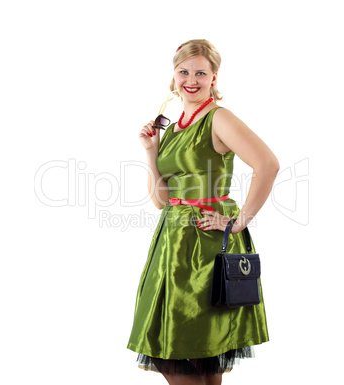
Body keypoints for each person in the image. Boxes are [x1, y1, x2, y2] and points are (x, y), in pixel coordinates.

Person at [127, 39, 280, 385]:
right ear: (173, 75)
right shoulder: (175, 125)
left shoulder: (218, 118)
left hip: (205, 245)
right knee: (195, 359)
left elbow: (267, 165)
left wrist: (238, 223)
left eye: (201, 72)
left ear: (214, 78)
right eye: (183, 71)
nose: (191, 79)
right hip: (173, 241)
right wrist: (151, 153)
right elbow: (161, 201)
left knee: (191, 348)